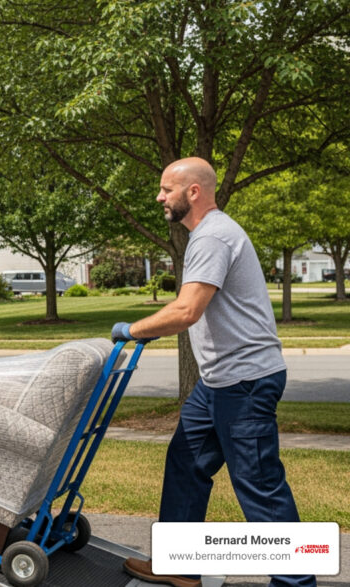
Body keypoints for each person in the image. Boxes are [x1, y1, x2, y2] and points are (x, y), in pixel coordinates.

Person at [114, 158, 314, 587]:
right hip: (220, 382)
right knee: (186, 463)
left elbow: (187, 310)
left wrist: (131, 330)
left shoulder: (213, 237)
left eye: (167, 189)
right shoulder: (209, 235)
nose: (159, 197)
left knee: (259, 485)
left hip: (244, 383)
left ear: (193, 192)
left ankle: (296, 583)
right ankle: (179, 564)